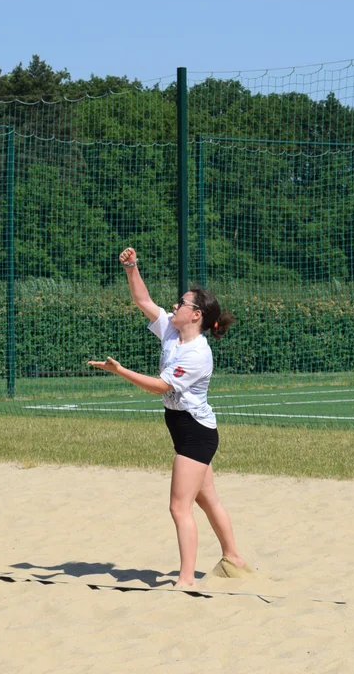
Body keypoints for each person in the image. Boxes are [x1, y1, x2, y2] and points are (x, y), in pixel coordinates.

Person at [88, 247, 247, 588]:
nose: (175, 306)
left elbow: (160, 386)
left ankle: (186, 579)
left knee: (179, 507)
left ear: (196, 316)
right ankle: (233, 557)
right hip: (185, 427)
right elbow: (143, 301)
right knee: (207, 499)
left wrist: (119, 371)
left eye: (182, 303)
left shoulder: (197, 354)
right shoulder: (173, 333)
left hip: (195, 434)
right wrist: (132, 266)